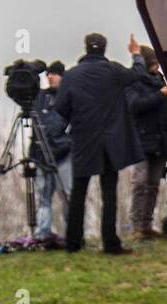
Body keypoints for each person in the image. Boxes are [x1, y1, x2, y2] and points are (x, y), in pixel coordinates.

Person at [55, 32, 144, 254]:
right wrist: (136, 54)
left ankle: (73, 243)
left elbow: (60, 106)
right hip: (110, 141)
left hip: (83, 139)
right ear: (105, 48)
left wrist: (77, 118)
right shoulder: (113, 71)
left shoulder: (72, 75)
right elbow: (137, 74)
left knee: (79, 191)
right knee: (109, 192)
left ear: (86, 48)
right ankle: (110, 243)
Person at [126, 45, 167, 239]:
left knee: (154, 184)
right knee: (140, 183)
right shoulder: (134, 83)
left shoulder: (161, 80)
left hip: (161, 141)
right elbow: (135, 106)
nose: (157, 66)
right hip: (141, 140)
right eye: (154, 63)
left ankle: (146, 224)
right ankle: (136, 225)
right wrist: (160, 95)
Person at [31, 61, 71, 241]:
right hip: (42, 154)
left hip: (64, 154)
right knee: (43, 196)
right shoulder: (39, 97)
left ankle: (72, 233)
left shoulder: (69, 96)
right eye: (48, 74)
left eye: (54, 74)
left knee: (68, 194)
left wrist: (68, 141)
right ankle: (42, 233)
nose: (50, 77)